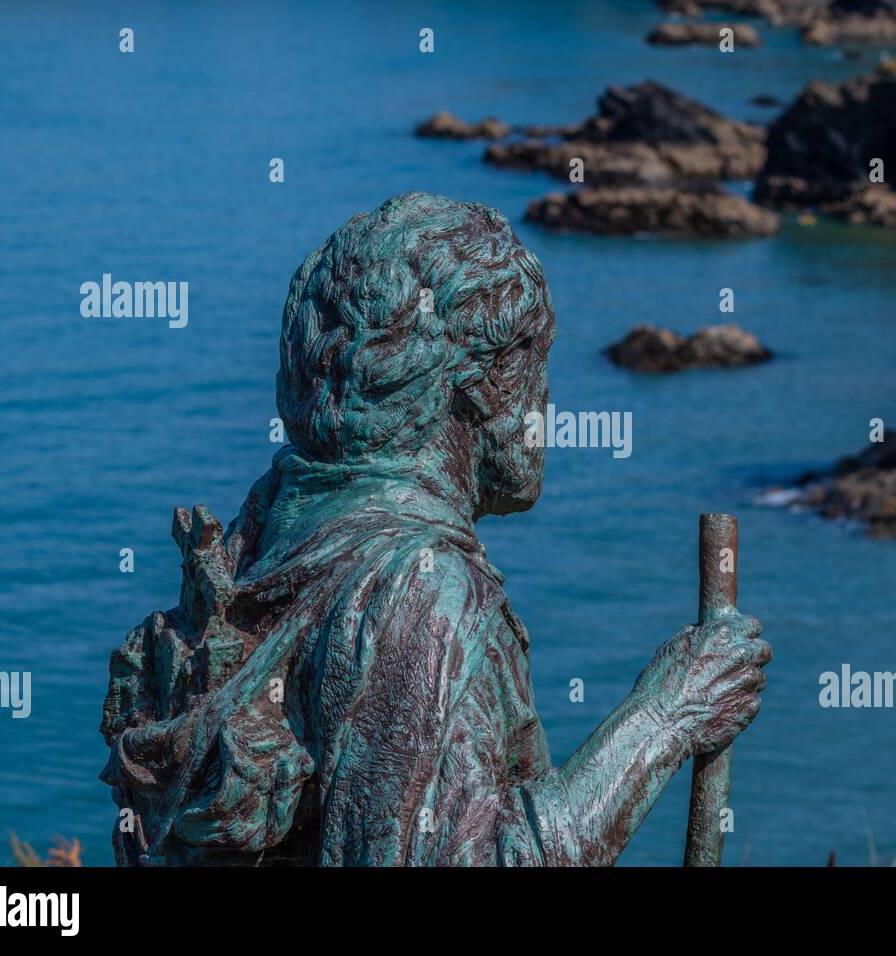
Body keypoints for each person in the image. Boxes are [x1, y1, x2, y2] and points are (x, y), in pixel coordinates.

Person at [100, 192, 770, 866]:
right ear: (482, 386)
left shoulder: (265, 526)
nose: (548, 405)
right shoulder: (422, 593)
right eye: (540, 371)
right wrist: (667, 717)